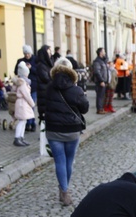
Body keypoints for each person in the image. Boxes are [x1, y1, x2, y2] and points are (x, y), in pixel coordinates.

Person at [45, 57, 88, 206]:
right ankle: (64, 190)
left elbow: (42, 107)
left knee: (60, 161)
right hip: (72, 131)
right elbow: (85, 108)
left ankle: (64, 190)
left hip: (53, 130)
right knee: (69, 161)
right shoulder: (76, 90)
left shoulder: (49, 87)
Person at [14, 45, 38, 132]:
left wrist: (31, 68)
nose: (27, 55)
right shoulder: (20, 61)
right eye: (25, 53)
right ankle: (28, 124)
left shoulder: (35, 59)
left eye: (28, 53)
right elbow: (16, 71)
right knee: (25, 106)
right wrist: (23, 68)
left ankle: (32, 123)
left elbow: (38, 71)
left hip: (33, 85)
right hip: (23, 85)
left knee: (31, 106)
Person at [12, 61, 35, 146]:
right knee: (22, 121)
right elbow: (27, 95)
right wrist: (32, 103)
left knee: (23, 121)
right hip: (22, 104)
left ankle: (21, 137)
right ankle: (17, 138)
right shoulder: (23, 83)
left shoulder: (20, 82)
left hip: (22, 103)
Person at [36, 45, 53, 122]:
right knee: (44, 115)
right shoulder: (41, 65)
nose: (50, 54)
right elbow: (46, 78)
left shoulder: (48, 64)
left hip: (48, 91)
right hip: (44, 92)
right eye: (49, 53)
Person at [92, 47, 108, 114]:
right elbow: (97, 72)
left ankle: (101, 108)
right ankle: (99, 109)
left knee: (102, 95)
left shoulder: (102, 60)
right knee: (100, 96)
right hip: (100, 81)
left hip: (103, 80)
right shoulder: (97, 61)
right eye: (104, 51)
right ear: (100, 53)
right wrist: (101, 80)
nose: (105, 53)